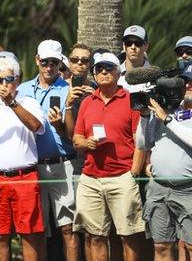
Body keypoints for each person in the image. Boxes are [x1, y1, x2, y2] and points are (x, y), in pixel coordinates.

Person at [72, 52, 145, 261]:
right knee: (95, 236)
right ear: (94, 74)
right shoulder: (87, 102)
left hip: (122, 176)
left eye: (109, 68)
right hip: (91, 178)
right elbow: (77, 138)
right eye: (99, 69)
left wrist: (134, 173)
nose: (103, 72)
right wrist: (86, 143)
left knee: (128, 236)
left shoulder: (130, 100)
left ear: (119, 72)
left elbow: (139, 141)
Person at [16, 40, 79, 261]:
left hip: (64, 163)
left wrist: (61, 125)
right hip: (33, 167)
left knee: (69, 229)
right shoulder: (22, 90)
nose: (49, 67)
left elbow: (73, 135)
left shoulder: (69, 91)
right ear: (37, 61)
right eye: (45, 62)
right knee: (38, 230)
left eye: (54, 62)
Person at [0, 57, 46, 261]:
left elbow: (37, 126)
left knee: (29, 235)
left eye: (7, 79)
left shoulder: (28, 102)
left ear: (17, 79)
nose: (2, 85)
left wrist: (11, 102)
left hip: (24, 177)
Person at [136, 65, 192, 261]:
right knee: (161, 245)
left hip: (187, 190)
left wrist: (168, 120)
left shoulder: (176, 115)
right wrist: (144, 117)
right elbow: (143, 144)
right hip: (158, 188)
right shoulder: (157, 115)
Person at [118, 25, 151, 92]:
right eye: (128, 43)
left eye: (138, 43)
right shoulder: (114, 74)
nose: (133, 47)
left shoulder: (154, 77)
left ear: (146, 47)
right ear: (124, 46)